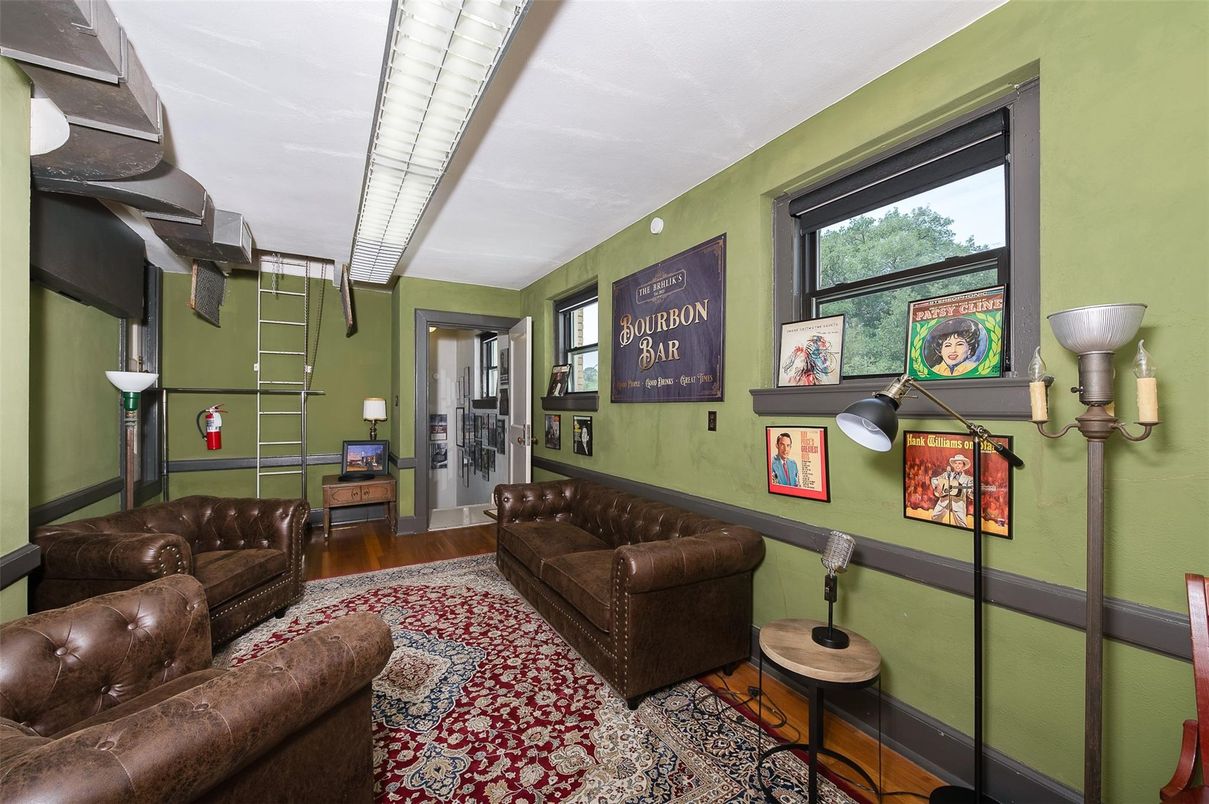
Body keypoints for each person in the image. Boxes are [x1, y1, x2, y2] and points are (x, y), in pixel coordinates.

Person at [930, 454, 974, 527]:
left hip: (958, 504)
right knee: (935, 517)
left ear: (963, 466)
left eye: (959, 463)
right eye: (955, 463)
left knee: (961, 524)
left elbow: (970, 493)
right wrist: (938, 486)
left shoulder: (968, 479)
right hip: (944, 501)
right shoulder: (946, 475)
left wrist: (973, 491)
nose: (957, 465)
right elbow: (934, 480)